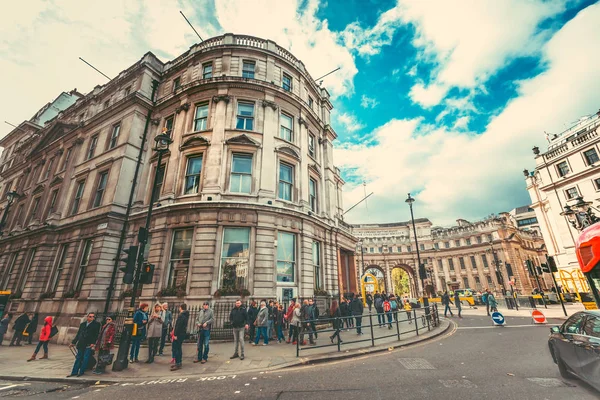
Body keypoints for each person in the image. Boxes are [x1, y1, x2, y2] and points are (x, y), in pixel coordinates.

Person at [68, 312, 100, 377]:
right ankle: (74, 372)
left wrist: (93, 343)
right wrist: (73, 342)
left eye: (93, 317)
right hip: (81, 343)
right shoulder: (83, 324)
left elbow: (96, 335)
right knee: (78, 358)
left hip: (89, 344)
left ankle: (81, 372)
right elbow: (78, 334)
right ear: (87, 317)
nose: (92, 318)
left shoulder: (96, 324)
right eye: (90, 316)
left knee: (85, 358)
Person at [171, 303, 188, 371]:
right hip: (182, 334)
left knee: (177, 349)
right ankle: (178, 362)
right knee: (179, 348)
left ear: (181, 308)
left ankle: (178, 363)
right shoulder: (185, 315)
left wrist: (175, 335)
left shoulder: (181, 316)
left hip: (178, 335)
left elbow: (178, 326)